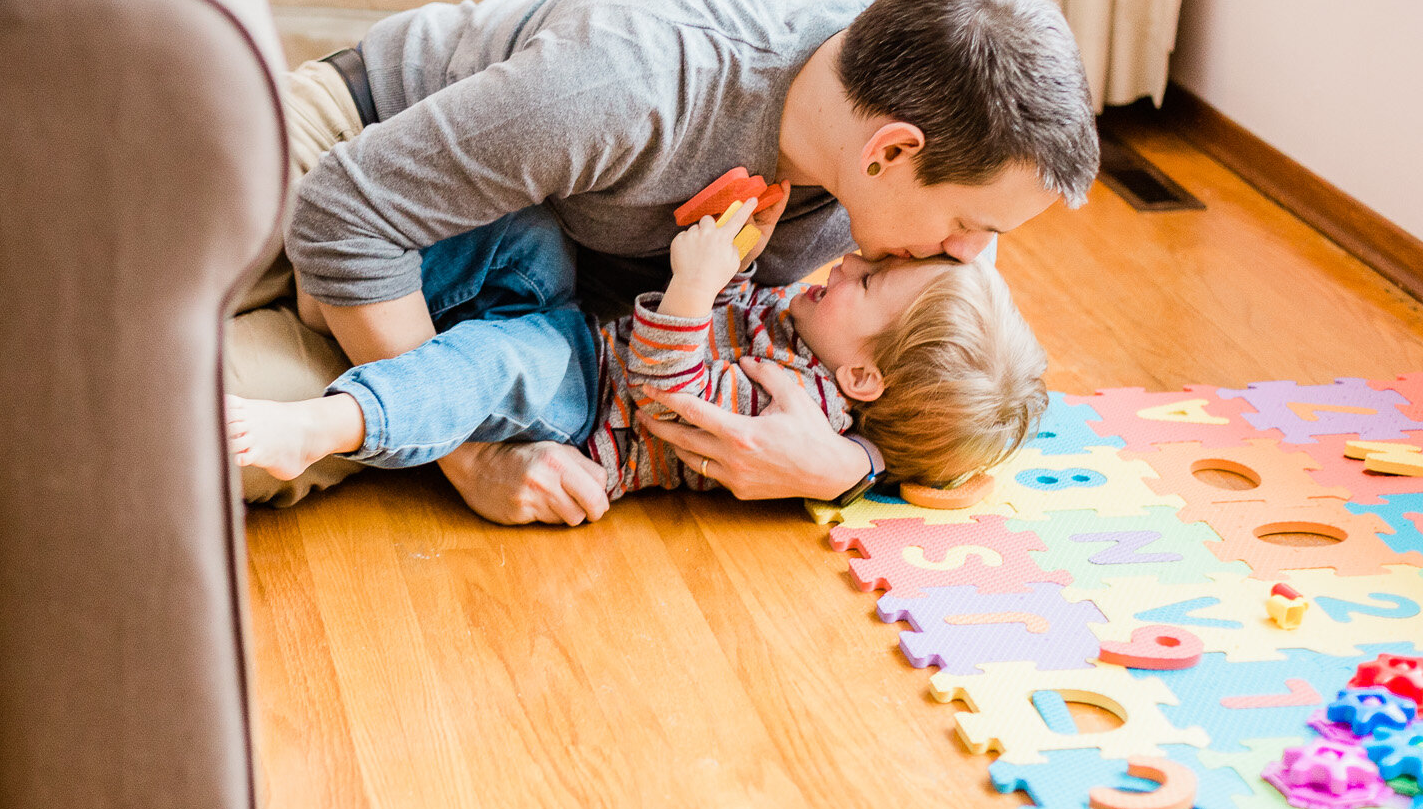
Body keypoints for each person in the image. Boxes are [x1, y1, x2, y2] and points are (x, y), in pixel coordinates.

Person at [254, 0, 1098, 523]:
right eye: (969, 227)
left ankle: (351, 360)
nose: (970, 258)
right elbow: (345, 213)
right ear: (891, 152)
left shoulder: (881, 160)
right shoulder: (632, 81)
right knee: (187, 438)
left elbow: (927, 385)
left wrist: (847, 465)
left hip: (522, 277)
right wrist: (475, 462)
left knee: (221, 419)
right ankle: (333, 341)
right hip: (351, 162)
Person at [229, 196, 1049, 501]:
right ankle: (349, 282)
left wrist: (693, 290)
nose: (846, 266)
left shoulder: (802, 411)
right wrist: (739, 257)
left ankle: (326, 425)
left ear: (862, 375)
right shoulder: (813, 332)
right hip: (586, 340)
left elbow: (670, 395)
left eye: (864, 283)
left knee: (489, 360)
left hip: (587, 413)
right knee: (534, 236)